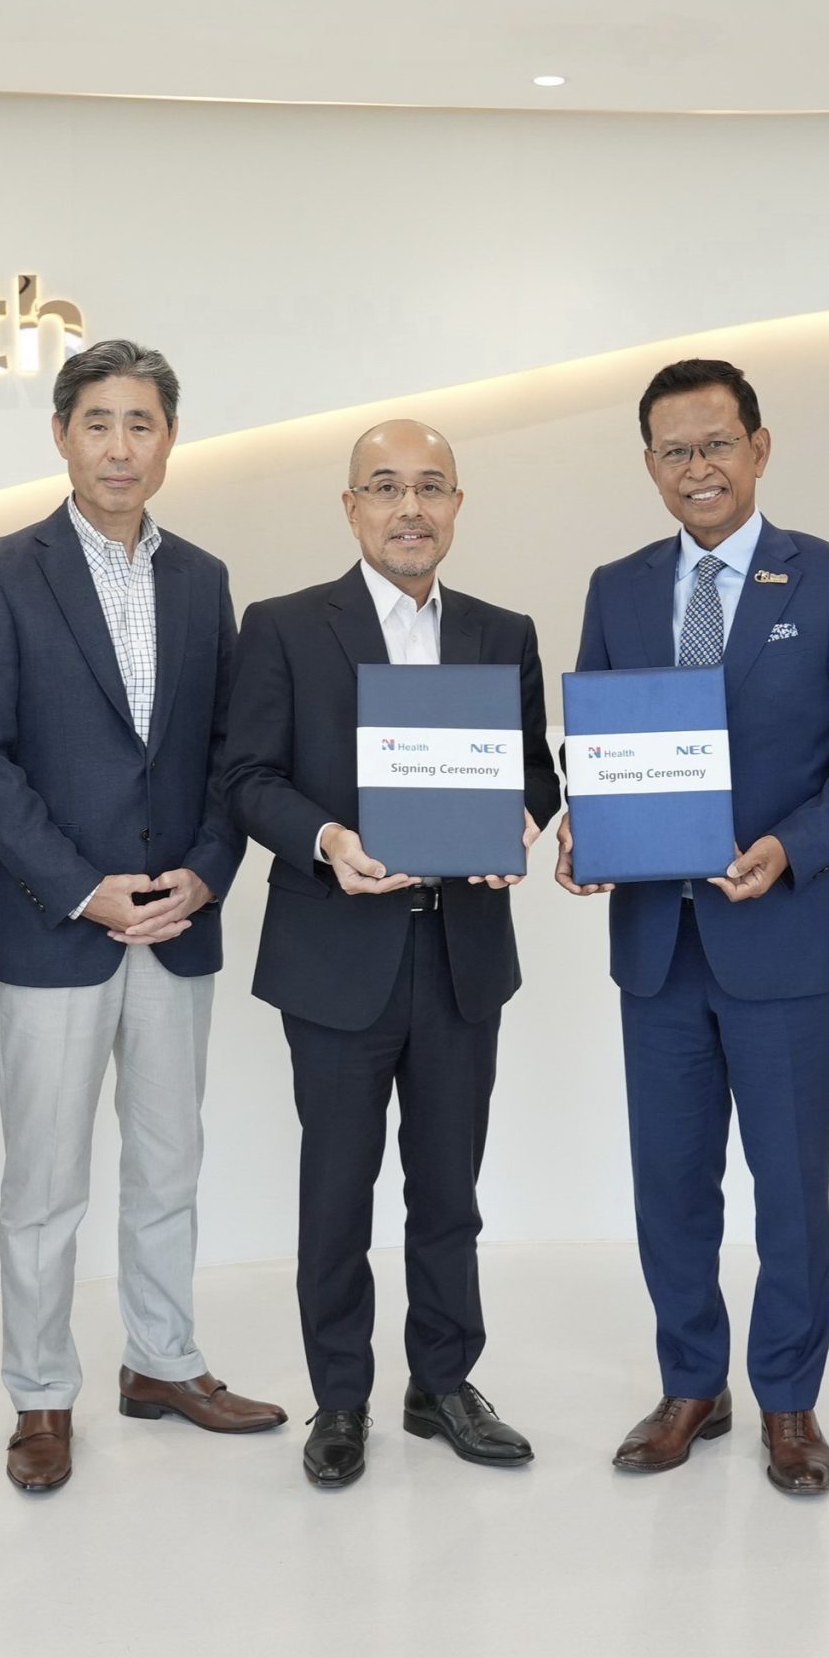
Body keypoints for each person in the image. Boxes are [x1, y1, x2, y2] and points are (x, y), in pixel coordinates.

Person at [557, 359, 829, 1495]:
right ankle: (691, 1385)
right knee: (670, 1184)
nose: (698, 468)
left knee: (789, 1189)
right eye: (674, 451)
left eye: (716, 444)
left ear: (759, 448)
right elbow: (603, 749)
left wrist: (796, 845)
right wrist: (583, 829)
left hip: (786, 942)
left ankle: (789, 1399)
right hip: (657, 947)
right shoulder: (617, 587)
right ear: (650, 465)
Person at [0, 339, 281, 1495]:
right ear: (61, 434)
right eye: (98, 422)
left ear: (169, 439)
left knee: (168, 1158)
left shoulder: (202, 577)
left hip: (177, 920)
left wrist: (206, 872)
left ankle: (162, 1360)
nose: (120, 446)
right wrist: (82, 887)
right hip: (59, 925)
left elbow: (232, 751)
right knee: (44, 1180)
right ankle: (41, 1392)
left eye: (142, 423)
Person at [225, 419, 561, 1489]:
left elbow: (535, 771)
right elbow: (247, 778)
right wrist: (329, 840)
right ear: (351, 507)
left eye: (429, 487)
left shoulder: (503, 632)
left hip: (462, 955)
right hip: (336, 953)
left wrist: (521, 815)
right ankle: (340, 1397)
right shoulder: (283, 627)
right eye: (384, 487)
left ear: (457, 504)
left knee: (449, 1189)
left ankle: (442, 1383)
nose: (408, 508)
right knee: (337, 1192)